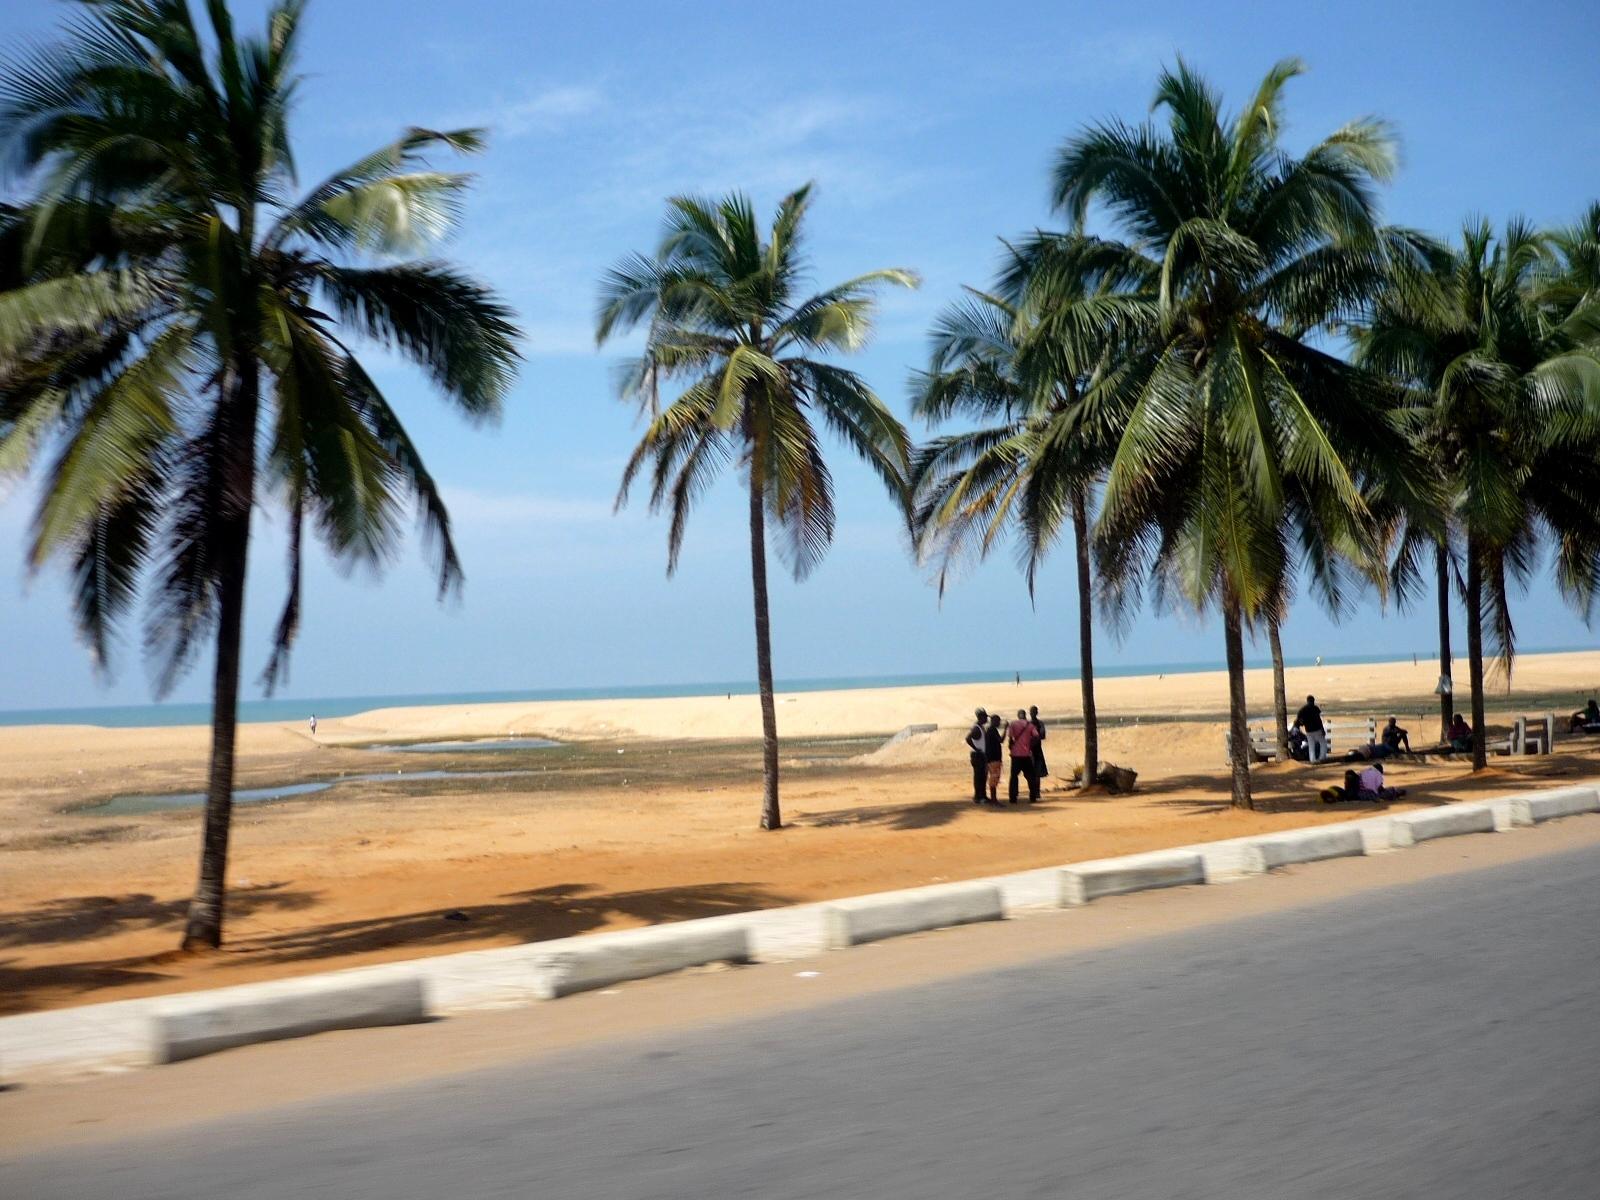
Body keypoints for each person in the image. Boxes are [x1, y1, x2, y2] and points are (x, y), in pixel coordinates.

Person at [1007, 709, 1040, 804]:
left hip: (1015, 755)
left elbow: (1010, 738)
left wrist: (1011, 747)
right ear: (1025, 715)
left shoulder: (1013, 724)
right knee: (1030, 777)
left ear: (1018, 715)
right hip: (1026, 754)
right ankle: (1033, 796)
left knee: (1014, 776)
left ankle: (1013, 797)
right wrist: (1030, 746)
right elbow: (1036, 736)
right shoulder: (1030, 725)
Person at [1294, 694, 1327, 763]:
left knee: (1311, 745)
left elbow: (1298, 717)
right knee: (1323, 743)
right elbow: (1319, 720)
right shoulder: (1315, 708)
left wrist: (1301, 724)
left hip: (1308, 730)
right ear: (1313, 701)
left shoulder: (1303, 709)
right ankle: (1322, 757)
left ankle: (1312, 759)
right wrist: (1322, 730)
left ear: (1307, 701)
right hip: (1317, 729)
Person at [966, 708, 989, 803]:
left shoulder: (980, 727)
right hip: (977, 755)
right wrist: (976, 749)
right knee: (979, 776)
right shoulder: (976, 728)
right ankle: (978, 797)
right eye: (985, 717)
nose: (986, 719)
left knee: (983, 776)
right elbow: (968, 738)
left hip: (981, 755)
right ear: (980, 717)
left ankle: (983, 795)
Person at [983, 714, 1004, 803]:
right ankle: (994, 799)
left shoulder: (989, 730)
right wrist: (1006, 729)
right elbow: (1001, 740)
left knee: (993, 778)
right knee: (994, 778)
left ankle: (993, 799)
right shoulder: (992, 730)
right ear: (994, 721)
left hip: (991, 758)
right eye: (998, 721)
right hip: (994, 758)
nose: (999, 723)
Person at [1028, 705, 1048, 782]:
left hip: (1035, 749)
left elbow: (1043, 736)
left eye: (1033, 712)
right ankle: (1035, 790)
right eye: (1032, 712)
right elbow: (1042, 736)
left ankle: (1035, 790)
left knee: (1036, 772)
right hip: (1032, 749)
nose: (1032, 713)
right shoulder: (1037, 724)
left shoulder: (1030, 724)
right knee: (1033, 771)